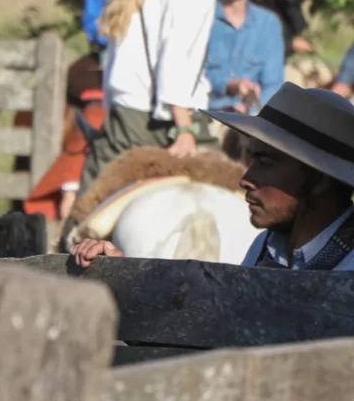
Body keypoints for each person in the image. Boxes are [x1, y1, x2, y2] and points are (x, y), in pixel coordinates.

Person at [73, 83, 354, 271]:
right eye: (252, 160)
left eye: (266, 163)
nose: (245, 179)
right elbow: (215, 328)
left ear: (321, 181)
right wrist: (124, 276)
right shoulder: (267, 247)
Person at [76, 0, 225, 197]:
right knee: (232, 192)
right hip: (168, 121)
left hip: (124, 118)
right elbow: (176, 61)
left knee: (91, 207)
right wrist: (184, 129)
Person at [205, 0, 285, 113]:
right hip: (206, 116)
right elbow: (188, 76)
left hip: (252, 120)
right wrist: (229, 86)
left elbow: (273, 84)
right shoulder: (201, 17)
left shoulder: (268, 23)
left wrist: (255, 113)